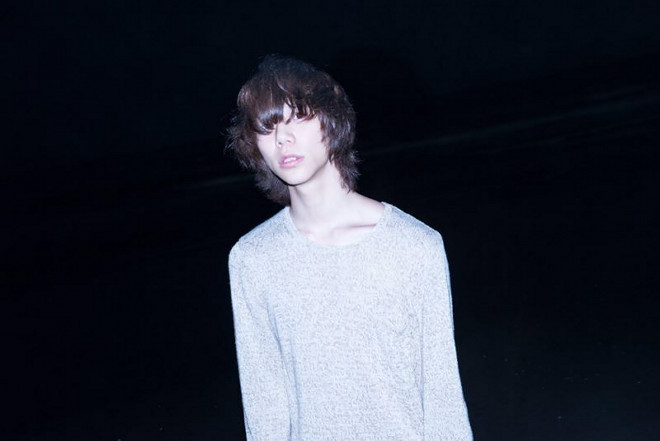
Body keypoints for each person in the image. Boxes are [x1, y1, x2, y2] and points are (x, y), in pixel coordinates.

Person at [226, 55, 472, 440]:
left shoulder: (414, 245)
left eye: (298, 118)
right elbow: (264, 406)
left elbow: (443, 397)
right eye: (267, 127)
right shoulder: (253, 259)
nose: (282, 138)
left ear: (332, 121)